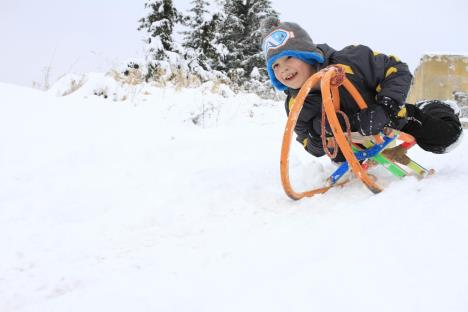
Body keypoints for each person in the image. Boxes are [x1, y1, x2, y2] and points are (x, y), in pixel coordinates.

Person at [260, 17, 463, 162]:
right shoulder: (296, 104)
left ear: (307, 54)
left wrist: (386, 107)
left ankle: (434, 107)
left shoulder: (349, 61)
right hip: (351, 143)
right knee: (338, 154)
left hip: (386, 119)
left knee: (446, 137)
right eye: (275, 66)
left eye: (289, 57)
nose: (283, 68)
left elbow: (397, 69)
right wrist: (316, 134)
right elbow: (307, 144)